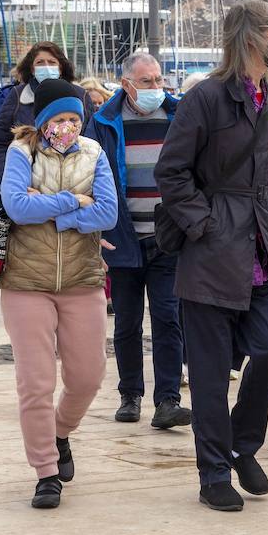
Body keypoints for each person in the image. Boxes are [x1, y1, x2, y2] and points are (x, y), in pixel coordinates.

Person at [154, 0, 268, 513]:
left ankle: (242, 445)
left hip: (261, 244)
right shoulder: (206, 98)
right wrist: (206, 225)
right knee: (212, 374)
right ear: (251, 37)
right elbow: (172, 172)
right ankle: (213, 473)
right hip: (213, 252)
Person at [0, 78, 118, 509]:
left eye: (74, 118)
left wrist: (53, 209)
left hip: (82, 280)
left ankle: (60, 432)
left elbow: (108, 211)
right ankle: (46, 472)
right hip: (26, 281)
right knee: (36, 382)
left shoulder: (95, 152)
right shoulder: (20, 152)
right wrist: (74, 201)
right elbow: (16, 206)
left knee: (88, 377)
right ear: (44, 121)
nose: (67, 126)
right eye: (60, 118)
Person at [86, 53, 191, 429]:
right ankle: (130, 395)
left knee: (167, 318)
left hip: (167, 238)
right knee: (127, 323)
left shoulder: (178, 116)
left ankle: (168, 401)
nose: (155, 88)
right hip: (123, 237)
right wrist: (94, 231)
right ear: (126, 84)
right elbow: (88, 175)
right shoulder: (103, 121)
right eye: (146, 82)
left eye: (159, 80)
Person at [0, 42, 91, 181]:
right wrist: (11, 178)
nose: (46, 66)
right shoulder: (17, 95)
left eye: (52, 62)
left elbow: (92, 142)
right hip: (24, 184)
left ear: (61, 67)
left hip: (73, 183)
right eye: (40, 62)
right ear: (32, 69)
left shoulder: (81, 95)